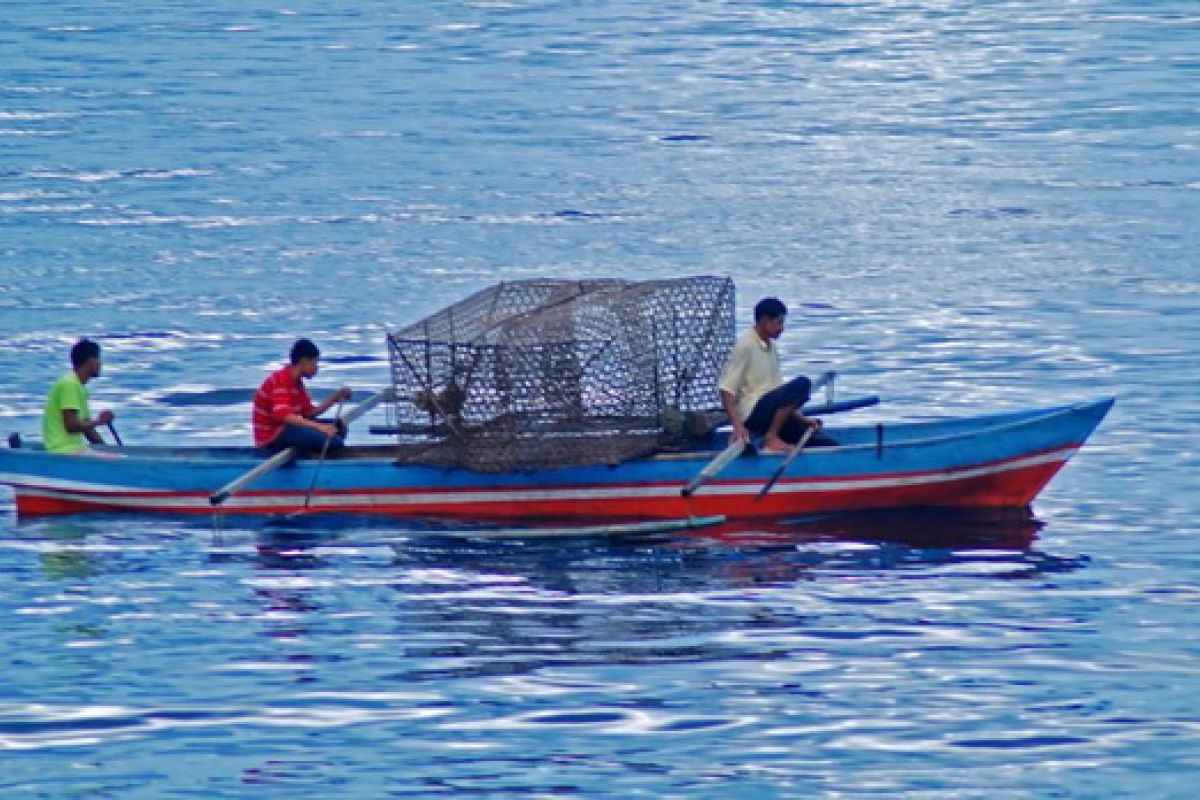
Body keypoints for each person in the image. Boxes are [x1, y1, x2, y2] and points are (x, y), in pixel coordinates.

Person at [718, 297, 826, 452]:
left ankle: (775, 435)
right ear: (764, 321)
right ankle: (771, 437)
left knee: (820, 442)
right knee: (802, 383)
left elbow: (782, 398)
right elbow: (726, 391)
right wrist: (738, 427)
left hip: (770, 414)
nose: (782, 328)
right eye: (779, 323)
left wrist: (802, 420)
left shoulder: (772, 347)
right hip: (753, 415)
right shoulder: (746, 344)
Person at [252, 338, 352, 454]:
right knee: (334, 442)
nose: (316, 368)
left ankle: (309, 451)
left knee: (338, 428)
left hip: (286, 429)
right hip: (274, 434)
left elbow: (309, 413)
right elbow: (283, 415)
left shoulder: (297, 383)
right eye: (315, 363)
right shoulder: (281, 379)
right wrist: (319, 427)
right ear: (304, 361)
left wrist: (336, 397)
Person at [42, 338, 115, 454]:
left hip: (75, 449)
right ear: (89, 361)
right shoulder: (69, 384)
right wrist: (100, 421)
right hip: (63, 450)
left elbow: (88, 430)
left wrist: (107, 450)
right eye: (98, 359)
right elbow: (72, 426)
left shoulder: (79, 387)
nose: (100, 363)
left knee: (115, 457)